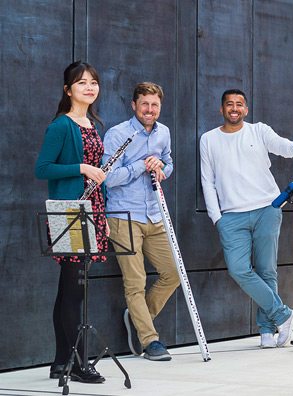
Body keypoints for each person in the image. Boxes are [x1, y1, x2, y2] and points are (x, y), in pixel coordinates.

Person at [200, 89, 293, 348]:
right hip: (231, 217)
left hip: (266, 209)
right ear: (222, 109)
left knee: (266, 270)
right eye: (229, 104)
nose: (234, 108)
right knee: (239, 269)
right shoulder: (208, 139)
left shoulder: (258, 130)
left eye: (239, 104)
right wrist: (217, 217)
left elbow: (282, 146)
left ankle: (267, 331)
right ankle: (283, 314)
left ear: (246, 110)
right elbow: (208, 181)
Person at [35, 61, 109, 383]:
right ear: (68, 90)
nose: (89, 88)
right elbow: (43, 168)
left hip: (92, 212)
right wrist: (79, 167)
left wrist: (103, 215)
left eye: (93, 82)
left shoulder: (93, 125)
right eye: (82, 83)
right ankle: (75, 362)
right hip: (70, 212)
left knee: (69, 288)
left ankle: (60, 362)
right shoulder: (61, 126)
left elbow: (99, 176)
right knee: (75, 289)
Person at [103, 82, 179, 361]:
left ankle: (139, 316)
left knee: (173, 273)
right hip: (124, 216)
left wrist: (161, 168)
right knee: (134, 283)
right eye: (145, 104)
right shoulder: (118, 134)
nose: (150, 110)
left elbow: (168, 164)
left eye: (155, 104)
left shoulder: (164, 133)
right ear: (134, 106)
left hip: (154, 214)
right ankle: (150, 341)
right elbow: (108, 177)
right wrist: (140, 166)